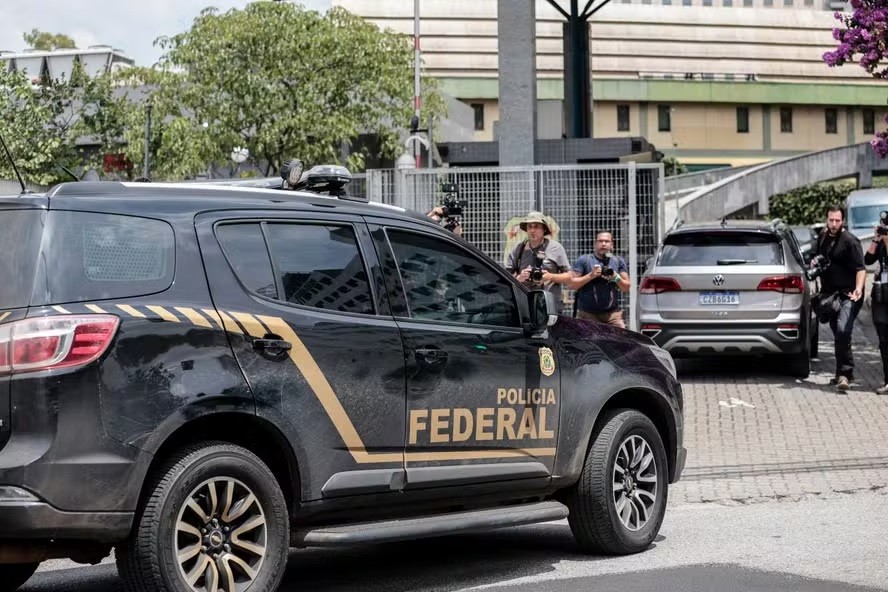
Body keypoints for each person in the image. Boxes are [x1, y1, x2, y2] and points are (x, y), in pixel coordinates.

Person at [812, 206, 866, 392]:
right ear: (827, 220)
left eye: (837, 220)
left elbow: (861, 269)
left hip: (849, 294)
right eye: (831, 220)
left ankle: (845, 374)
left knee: (843, 330)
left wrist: (858, 289)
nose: (833, 224)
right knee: (838, 334)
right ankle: (841, 374)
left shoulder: (851, 241)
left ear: (843, 221)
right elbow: (818, 257)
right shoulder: (823, 237)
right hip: (829, 295)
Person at [546, 231, 630, 328]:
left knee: (620, 341)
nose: (603, 244)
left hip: (612, 315)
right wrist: (590, 276)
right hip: (588, 315)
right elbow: (572, 285)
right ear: (595, 243)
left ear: (612, 244)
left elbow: (626, 287)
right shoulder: (585, 260)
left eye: (607, 241)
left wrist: (616, 277)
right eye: (600, 241)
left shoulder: (618, 261)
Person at [504, 211, 571, 314]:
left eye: (536, 227)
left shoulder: (556, 248)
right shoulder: (518, 249)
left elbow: (569, 276)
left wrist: (549, 276)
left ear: (544, 229)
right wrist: (519, 278)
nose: (532, 230)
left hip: (550, 305)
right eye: (529, 227)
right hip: (525, 305)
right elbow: (505, 277)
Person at [864, 222, 888, 394]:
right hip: (881, 292)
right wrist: (876, 238)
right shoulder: (881, 240)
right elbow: (868, 260)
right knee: (883, 338)